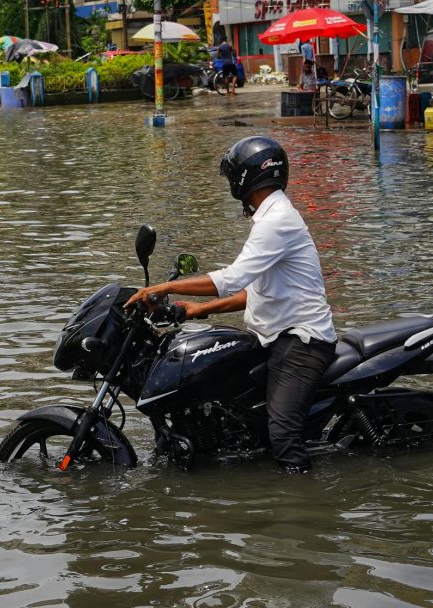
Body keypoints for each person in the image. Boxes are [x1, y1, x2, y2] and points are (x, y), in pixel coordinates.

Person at [124, 136, 336, 474]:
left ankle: (301, 509)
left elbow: (232, 279)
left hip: (302, 344)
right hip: (275, 338)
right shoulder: (270, 217)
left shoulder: (276, 221)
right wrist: (193, 309)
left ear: (247, 177)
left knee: (282, 435)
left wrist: (164, 287)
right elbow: (252, 292)